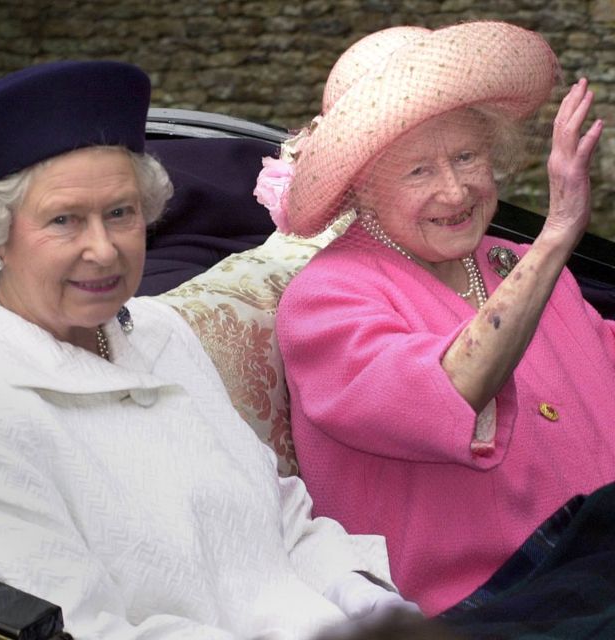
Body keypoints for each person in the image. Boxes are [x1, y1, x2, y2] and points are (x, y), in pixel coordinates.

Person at [0, 60, 419, 640]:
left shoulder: (158, 330)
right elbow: (85, 628)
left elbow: (282, 520)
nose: (103, 250)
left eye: (120, 213)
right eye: (64, 221)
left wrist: (377, 613)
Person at [257, 21, 615, 617]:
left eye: (468, 156)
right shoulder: (328, 297)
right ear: (360, 189)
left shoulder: (516, 264)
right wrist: (557, 238)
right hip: (490, 600)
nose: (454, 191)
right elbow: (453, 389)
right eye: (419, 170)